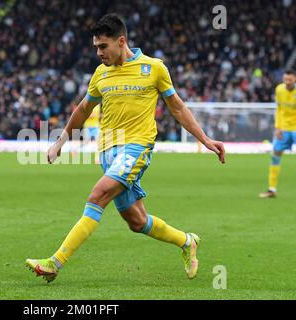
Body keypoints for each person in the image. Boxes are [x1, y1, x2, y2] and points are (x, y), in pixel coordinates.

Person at [26, 14, 225, 282]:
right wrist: (60, 141)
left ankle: (55, 262)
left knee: (97, 196)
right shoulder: (101, 73)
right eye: (96, 47)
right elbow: (84, 108)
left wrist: (206, 140)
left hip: (136, 148)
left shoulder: (153, 68)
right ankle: (187, 241)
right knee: (137, 221)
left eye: (103, 46)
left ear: (121, 41)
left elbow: (177, 106)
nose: (98, 53)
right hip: (108, 153)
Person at [260, 69, 296, 198]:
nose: (287, 82)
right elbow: (279, 109)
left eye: (290, 80)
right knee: (275, 155)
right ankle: (272, 189)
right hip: (284, 128)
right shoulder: (279, 89)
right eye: (285, 79)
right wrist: (278, 127)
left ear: (294, 79)